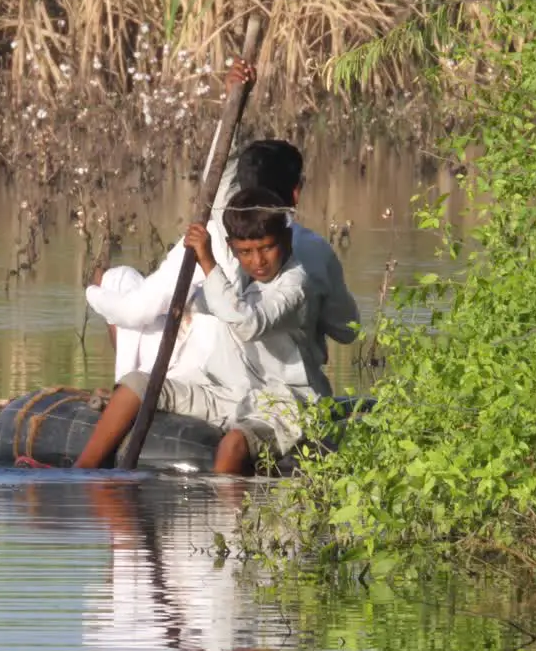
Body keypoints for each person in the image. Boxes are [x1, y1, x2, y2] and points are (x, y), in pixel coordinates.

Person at [75, 187, 323, 474]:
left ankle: (223, 516)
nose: (258, 261)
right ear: (231, 248)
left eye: (267, 248)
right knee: (135, 385)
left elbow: (248, 323)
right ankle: (83, 474)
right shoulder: (241, 278)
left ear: (287, 241)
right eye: (246, 252)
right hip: (225, 393)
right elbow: (211, 304)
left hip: (279, 401)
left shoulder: (295, 286)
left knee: (233, 445)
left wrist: (207, 262)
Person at [85, 137, 360, 382]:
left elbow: (137, 311)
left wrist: (95, 291)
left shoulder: (213, 236)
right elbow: (347, 331)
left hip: (217, 378)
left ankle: (124, 387)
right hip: (285, 380)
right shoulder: (317, 249)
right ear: (296, 192)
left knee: (118, 279)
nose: (257, 260)